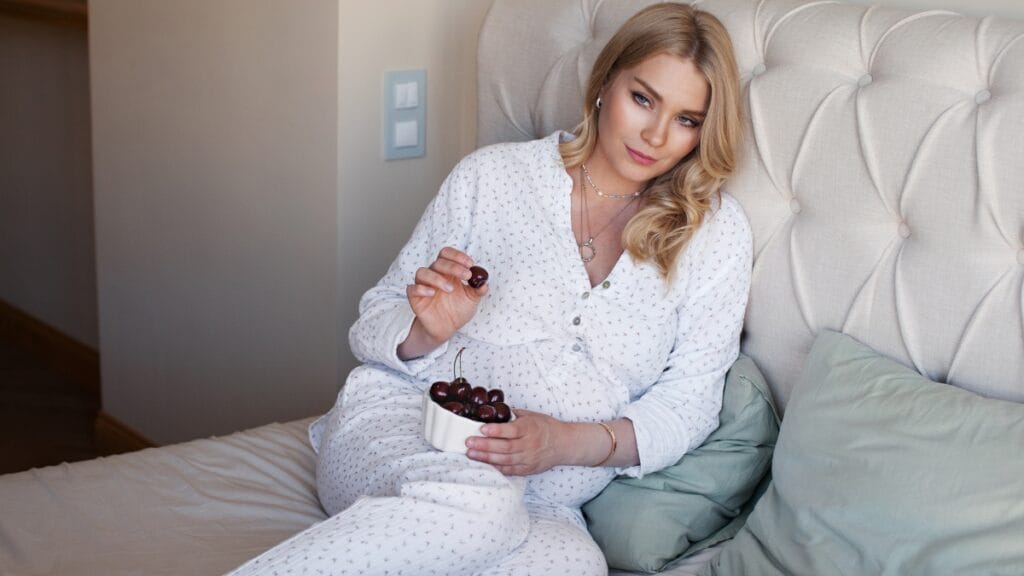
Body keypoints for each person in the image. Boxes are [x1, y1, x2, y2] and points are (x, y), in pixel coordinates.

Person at [229, 4, 750, 575]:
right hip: (406, 428)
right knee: (481, 507)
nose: (655, 135)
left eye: (687, 120)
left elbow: (689, 405)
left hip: (543, 498)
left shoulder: (714, 235)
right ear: (605, 84)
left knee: (573, 567)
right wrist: (425, 329)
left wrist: (563, 443)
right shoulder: (493, 177)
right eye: (643, 99)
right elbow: (372, 321)